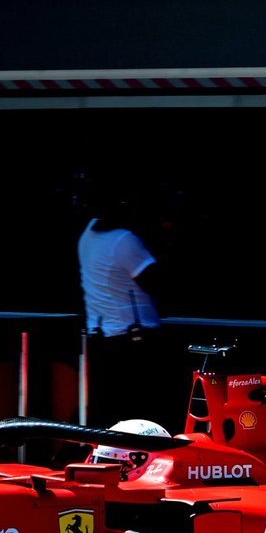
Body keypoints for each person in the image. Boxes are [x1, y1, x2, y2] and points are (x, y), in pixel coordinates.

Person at [74, 172, 176, 429]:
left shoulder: (87, 234)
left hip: (102, 338)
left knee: (109, 413)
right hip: (132, 342)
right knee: (142, 415)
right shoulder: (123, 240)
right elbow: (158, 283)